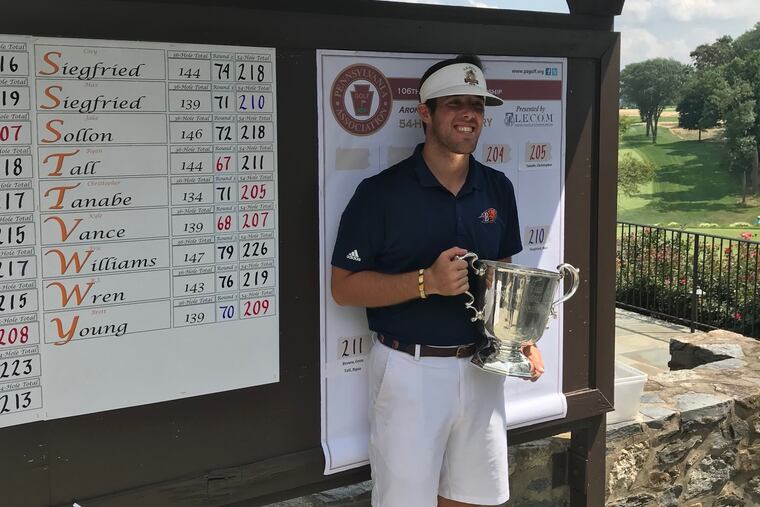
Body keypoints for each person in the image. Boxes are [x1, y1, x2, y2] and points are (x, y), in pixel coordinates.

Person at [331, 54, 545, 507]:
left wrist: (520, 338)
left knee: (473, 499)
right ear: (425, 113)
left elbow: (501, 280)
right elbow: (343, 286)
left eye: (478, 105)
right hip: (410, 370)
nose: (469, 115)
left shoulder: (498, 188)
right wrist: (424, 282)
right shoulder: (380, 193)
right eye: (455, 104)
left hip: (482, 366)